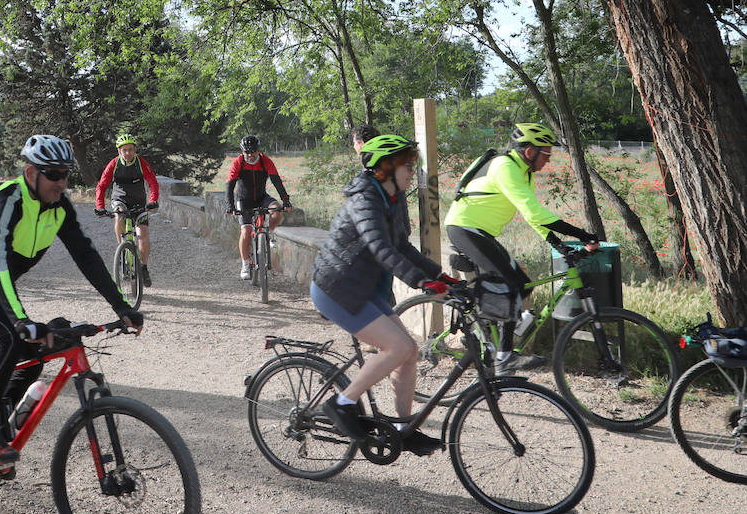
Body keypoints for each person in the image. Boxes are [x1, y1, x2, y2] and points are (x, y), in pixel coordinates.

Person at [0, 134, 143, 465]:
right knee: (11, 336)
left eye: (66, 174)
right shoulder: (8, 201)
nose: (61, 182)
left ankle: (4, 411)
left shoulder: (59, 208)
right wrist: (20, 321)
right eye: (53, 174)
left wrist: (122, 306)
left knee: (51, 337)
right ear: (31, 173)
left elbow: (87, 257)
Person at [311, 135, 458, 453]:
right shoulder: (365, 199)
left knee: (410, 353)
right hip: (338, 288)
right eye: (407, 165)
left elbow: (402, 246)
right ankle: (342, 403)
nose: (411, 171)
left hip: (363, 288)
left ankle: (405, 429)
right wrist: (420, 282)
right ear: (386, 167)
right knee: (400, 346)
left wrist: (439, 275)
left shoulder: (390, 197)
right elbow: (379, 248)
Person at [444, 123, 600, 374]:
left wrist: (558, 244)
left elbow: (531, 216)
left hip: (480, 232)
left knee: (522, 283)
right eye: (546, 154)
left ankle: (489, 332)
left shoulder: (522, 171)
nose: (548, 160)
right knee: (509, 284)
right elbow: (534, 212)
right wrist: (582, 234)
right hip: (465, 229)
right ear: (530, 152)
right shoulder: (505, 167)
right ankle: (504, 357)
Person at [94, 133, 160, 287]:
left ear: (135, 149)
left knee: (143, 235)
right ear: (119, 151)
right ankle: (122, 249)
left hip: (139, 202)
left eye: (131, 149)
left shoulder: (141, 163)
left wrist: (152, 201)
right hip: (120, 199)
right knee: (119, 215)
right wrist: (100, 206)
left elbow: (153, 183)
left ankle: (143, 268)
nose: (128, 153)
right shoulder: (114, 164)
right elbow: (102, 185)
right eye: (124, 150)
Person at [225, 135, 293, 284]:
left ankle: (270, 234)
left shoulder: (265, 161)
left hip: (262, 197)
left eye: (253, 152)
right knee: (246, 231)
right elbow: (230, 186)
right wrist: (230, 205)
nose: (249, 155)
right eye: (246, 152)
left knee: (276, 210)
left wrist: (286, 200)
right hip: (243, 199)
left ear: (258, 150)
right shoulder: (238, 162)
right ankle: (244, 265)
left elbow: (276, 181)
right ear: (242, 152)